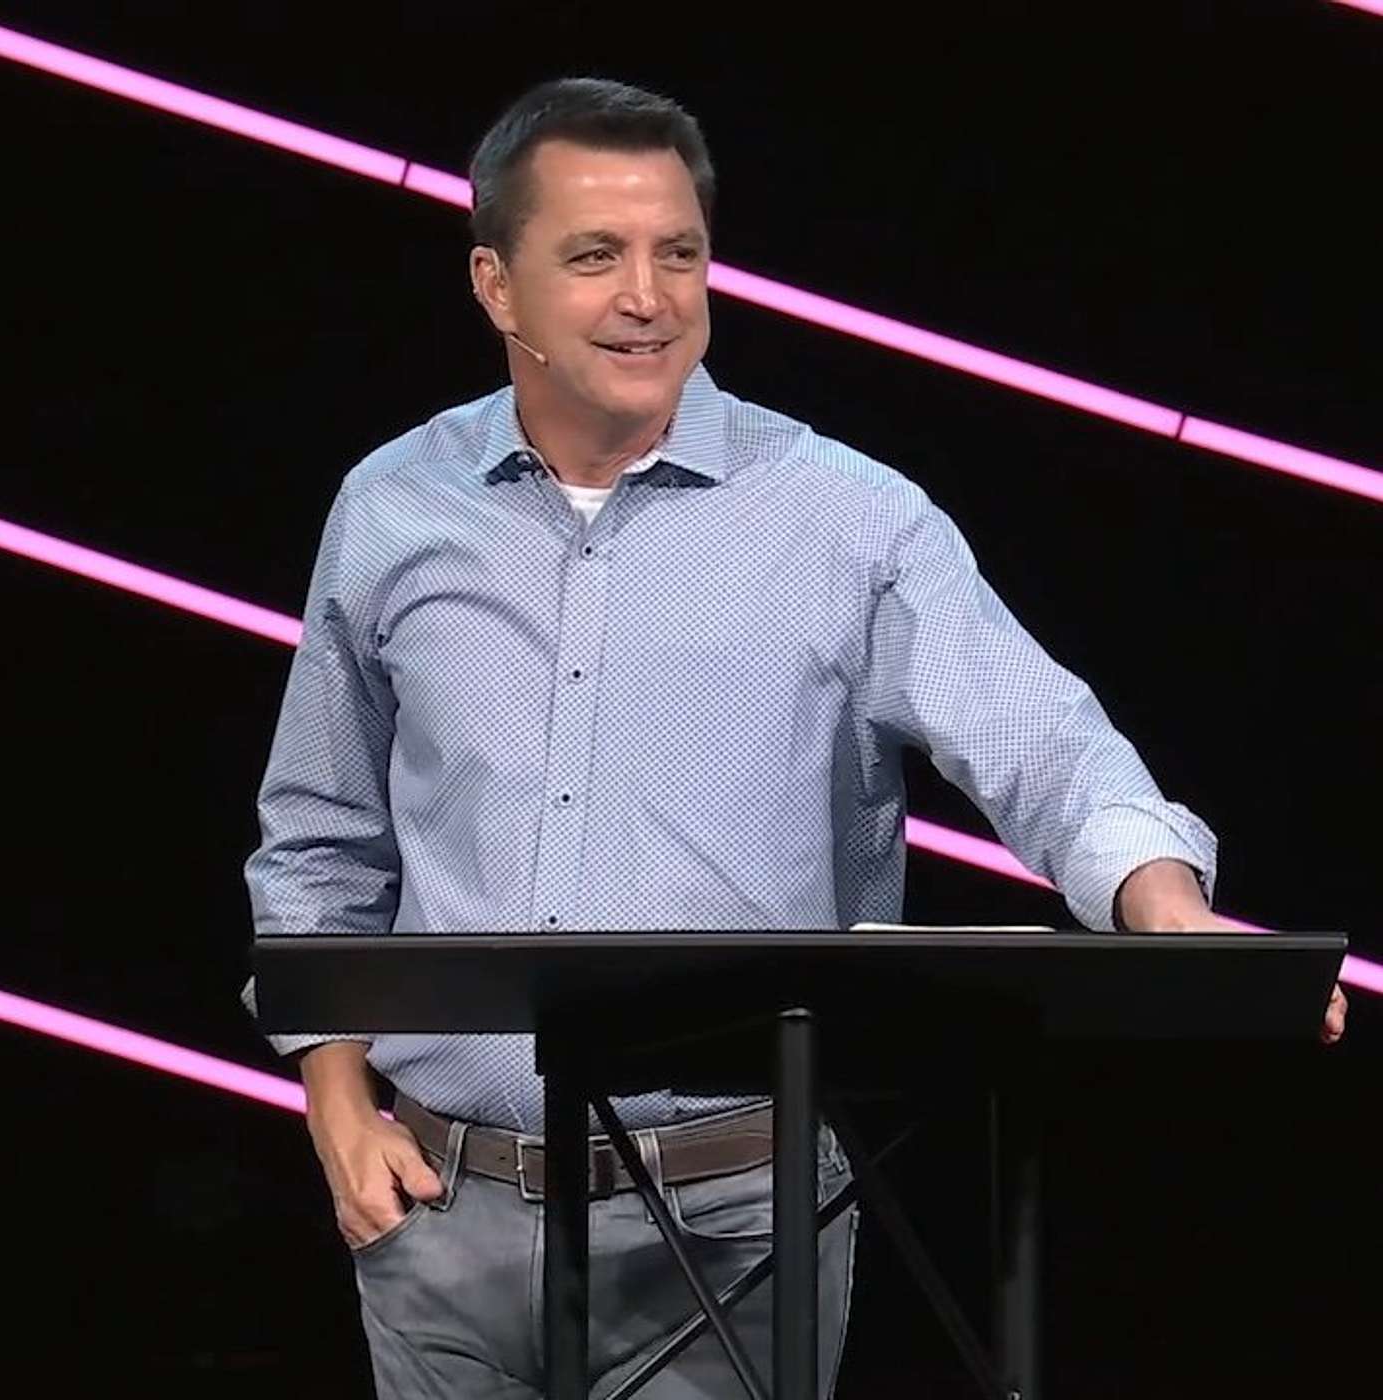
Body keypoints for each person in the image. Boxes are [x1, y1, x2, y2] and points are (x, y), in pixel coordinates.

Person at [243, 77, 1347, 1400]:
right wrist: (335, 1107)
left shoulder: (845, 519)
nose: (647, 296)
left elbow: (1045, 744)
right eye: (594, 257)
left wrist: (1160, 904)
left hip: (735, 1225)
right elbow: (320, 841)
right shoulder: (391, 507)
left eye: (679, 254)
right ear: (496, 286)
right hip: (440, 1218)